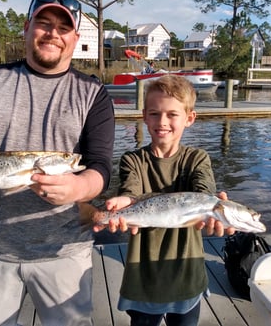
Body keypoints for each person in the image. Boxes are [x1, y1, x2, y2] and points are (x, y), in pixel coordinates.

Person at [0, 0, 115, 326]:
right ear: (27, 26)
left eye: (64, 28)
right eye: (44, 23)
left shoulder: (94, 94)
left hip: (65, 251)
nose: (53, 34)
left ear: (75, 37)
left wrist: (78, 189)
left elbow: (100, 167)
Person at [97, 75, 234, 326]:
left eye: (172, 114)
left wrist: (214, 208)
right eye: (154, 113)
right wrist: (123, 203)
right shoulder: (132, 160)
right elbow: (131, 192)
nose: (162, 122)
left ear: (189, 118)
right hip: (143, 278)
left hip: (187, 277)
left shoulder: (198, 159)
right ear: (144, 115)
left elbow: (204, 190)